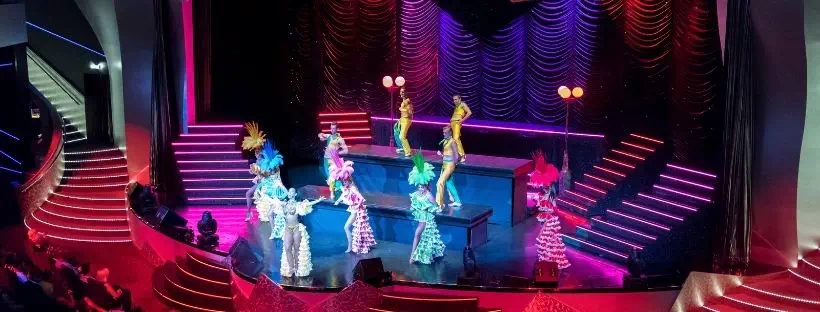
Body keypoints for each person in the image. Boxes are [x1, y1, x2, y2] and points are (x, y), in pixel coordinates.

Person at [259, 188, 324, 277]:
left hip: (297, 228)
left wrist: (318, 200)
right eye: (289, 191)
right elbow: (273, 201)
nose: (290, 193)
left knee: (297, 249)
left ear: (295, 194)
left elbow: (307, 204)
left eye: (292, 191)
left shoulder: (298, 204)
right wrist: (263, 195)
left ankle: (297, 268)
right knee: (287, 248)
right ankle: (291, 268)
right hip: (287, 228)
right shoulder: (284, 203)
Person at [329, 150, 376, 254]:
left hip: (356, 211)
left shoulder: (353, 188)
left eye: (345, 181)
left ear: (348, 179)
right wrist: (338, 201)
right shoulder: (346, 187)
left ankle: (350, 247)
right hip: (353, 209)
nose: (344, 183)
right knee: (351, 229)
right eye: (342, 181)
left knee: (346, 227)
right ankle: (352, 246)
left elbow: (361, 198)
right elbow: (343, 194)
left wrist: (359, 202)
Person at [407, 152, 445, 264]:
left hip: (426, 220)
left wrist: (439, 206)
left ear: (426, 186)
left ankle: (412, 256)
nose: (420, 188)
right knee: (420, 236)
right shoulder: (416, 194)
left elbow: (435, 206)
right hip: (421, 219)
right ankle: (415, 255)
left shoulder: (428, 195)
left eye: (422, 186)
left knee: (417, 234)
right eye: (419, 186)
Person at [252, 142, 288, 236]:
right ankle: (274, 230)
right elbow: (265, 176)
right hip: (270, 191)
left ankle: (282, 230)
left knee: (278, 213)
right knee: (270, 213)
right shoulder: (269, 170)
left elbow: (273, 178)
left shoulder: (275, 172)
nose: (270, 170)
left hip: (276, 192)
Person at [534, 186, 570, 269]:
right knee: (545, 239)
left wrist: (550, 211)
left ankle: (549, 258)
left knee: (547, 238)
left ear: (550, 188)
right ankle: (546, 258)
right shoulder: (543, 196)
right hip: (546, 217)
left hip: (550, 219)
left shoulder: (551, 197)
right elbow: (540, 204)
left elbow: (554, 209)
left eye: (546, 188)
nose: (544, 189)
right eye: (544, 188)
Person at [242, 121, 267, 221]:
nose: (256, 154)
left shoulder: (265, 161)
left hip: (266, 183)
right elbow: (255, 172)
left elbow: (265, 173)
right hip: (260, 182)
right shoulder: (257, 161)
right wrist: (253, 171)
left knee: (259, 197)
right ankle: (248, 213)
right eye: (255, 152)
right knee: (248, 193)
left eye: (257, 152)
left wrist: (257, 171)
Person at [318, 122, 348, 199]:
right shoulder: (329, 136)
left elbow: (346, 151)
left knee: (333, 175)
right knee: (328, 175)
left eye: (334, 128)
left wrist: (336, 152)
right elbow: (320, 135)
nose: (332, 130)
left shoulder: (340, 139)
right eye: (331, 128)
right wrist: (321, 135)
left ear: (337, 129)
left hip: (333, 160)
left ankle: (337, 191)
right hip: (326, 159)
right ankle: (334, 189)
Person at [436, 126, 461, 208]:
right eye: (443, 132)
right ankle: (457, 201)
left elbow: (456, 155)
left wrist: (454, 164)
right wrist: (441, 155)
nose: (444, 134)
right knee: (449, 183)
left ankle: (440, 204)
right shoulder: (445, 141)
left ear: (450, 133)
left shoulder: (452, 141)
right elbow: (447, 154)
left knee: (440, 183)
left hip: (449, 165)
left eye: (445, 132)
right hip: (445, 165)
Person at [450, 95, 471, 163]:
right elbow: (454, 115)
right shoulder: (456, 106)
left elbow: (469, 113)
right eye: (453, 100)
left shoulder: (463, 104)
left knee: (456, 138)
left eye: (456, 99)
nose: (454, 101)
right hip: (453, 123)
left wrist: (462, 120)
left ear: (460, 99)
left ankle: (462, 155)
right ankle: (458, 155)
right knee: (453, 140)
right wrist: (449, 124)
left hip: (457, 123)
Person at [393, 87, 413, 157]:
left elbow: (410, 112)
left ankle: (408, 151)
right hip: (402, 119)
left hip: (407, 120)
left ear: (407, 93)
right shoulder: (403, 101)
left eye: (403, 92)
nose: (402, 93)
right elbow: (403, 113)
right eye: (401, 92)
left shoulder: (408, 101)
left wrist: (402, 109)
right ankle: (401, 147)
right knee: (396, 129)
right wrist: (399, 120)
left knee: (402, 136)